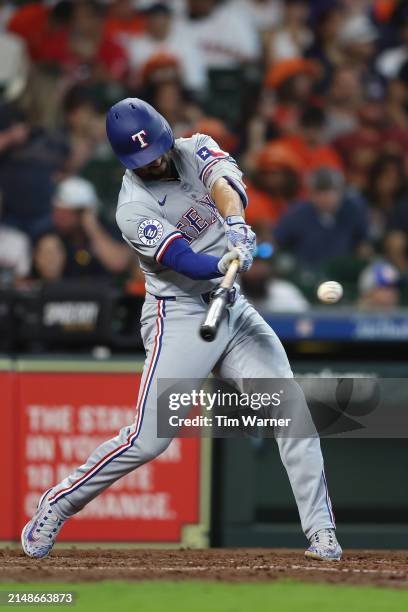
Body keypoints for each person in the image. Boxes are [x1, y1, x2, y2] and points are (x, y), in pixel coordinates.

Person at [21, 97, 341, 563]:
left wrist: (234, 224)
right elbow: (180, 258)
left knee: (292, 415)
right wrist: (222, 260)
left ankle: (322, 533)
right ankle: (57, 503)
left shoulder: (197, 148)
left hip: (230, 307)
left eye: (155, 151)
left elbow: (226, 184)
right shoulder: (131, 207)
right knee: (149, 440)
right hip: (181, 312)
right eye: (141, 160)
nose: (152, 163)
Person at [273, 167, 369, 271]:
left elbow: (363, 245)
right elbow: (277, 242)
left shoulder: (352, 211)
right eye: (318, 193)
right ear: (310, 194)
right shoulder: (296, 214)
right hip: (306, 276)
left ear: (340, 192)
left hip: (343, 274)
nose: (324, 198)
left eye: (329, 192)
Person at [51, 176, 132, 278]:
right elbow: (48, 275)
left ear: (83, 213)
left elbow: (118, 264)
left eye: (65, 212)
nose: (58, 217)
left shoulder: (109, 229)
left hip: (104, 290)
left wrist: (92, 227)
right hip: (62, 291)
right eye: (57, 211)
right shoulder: (52, 234)